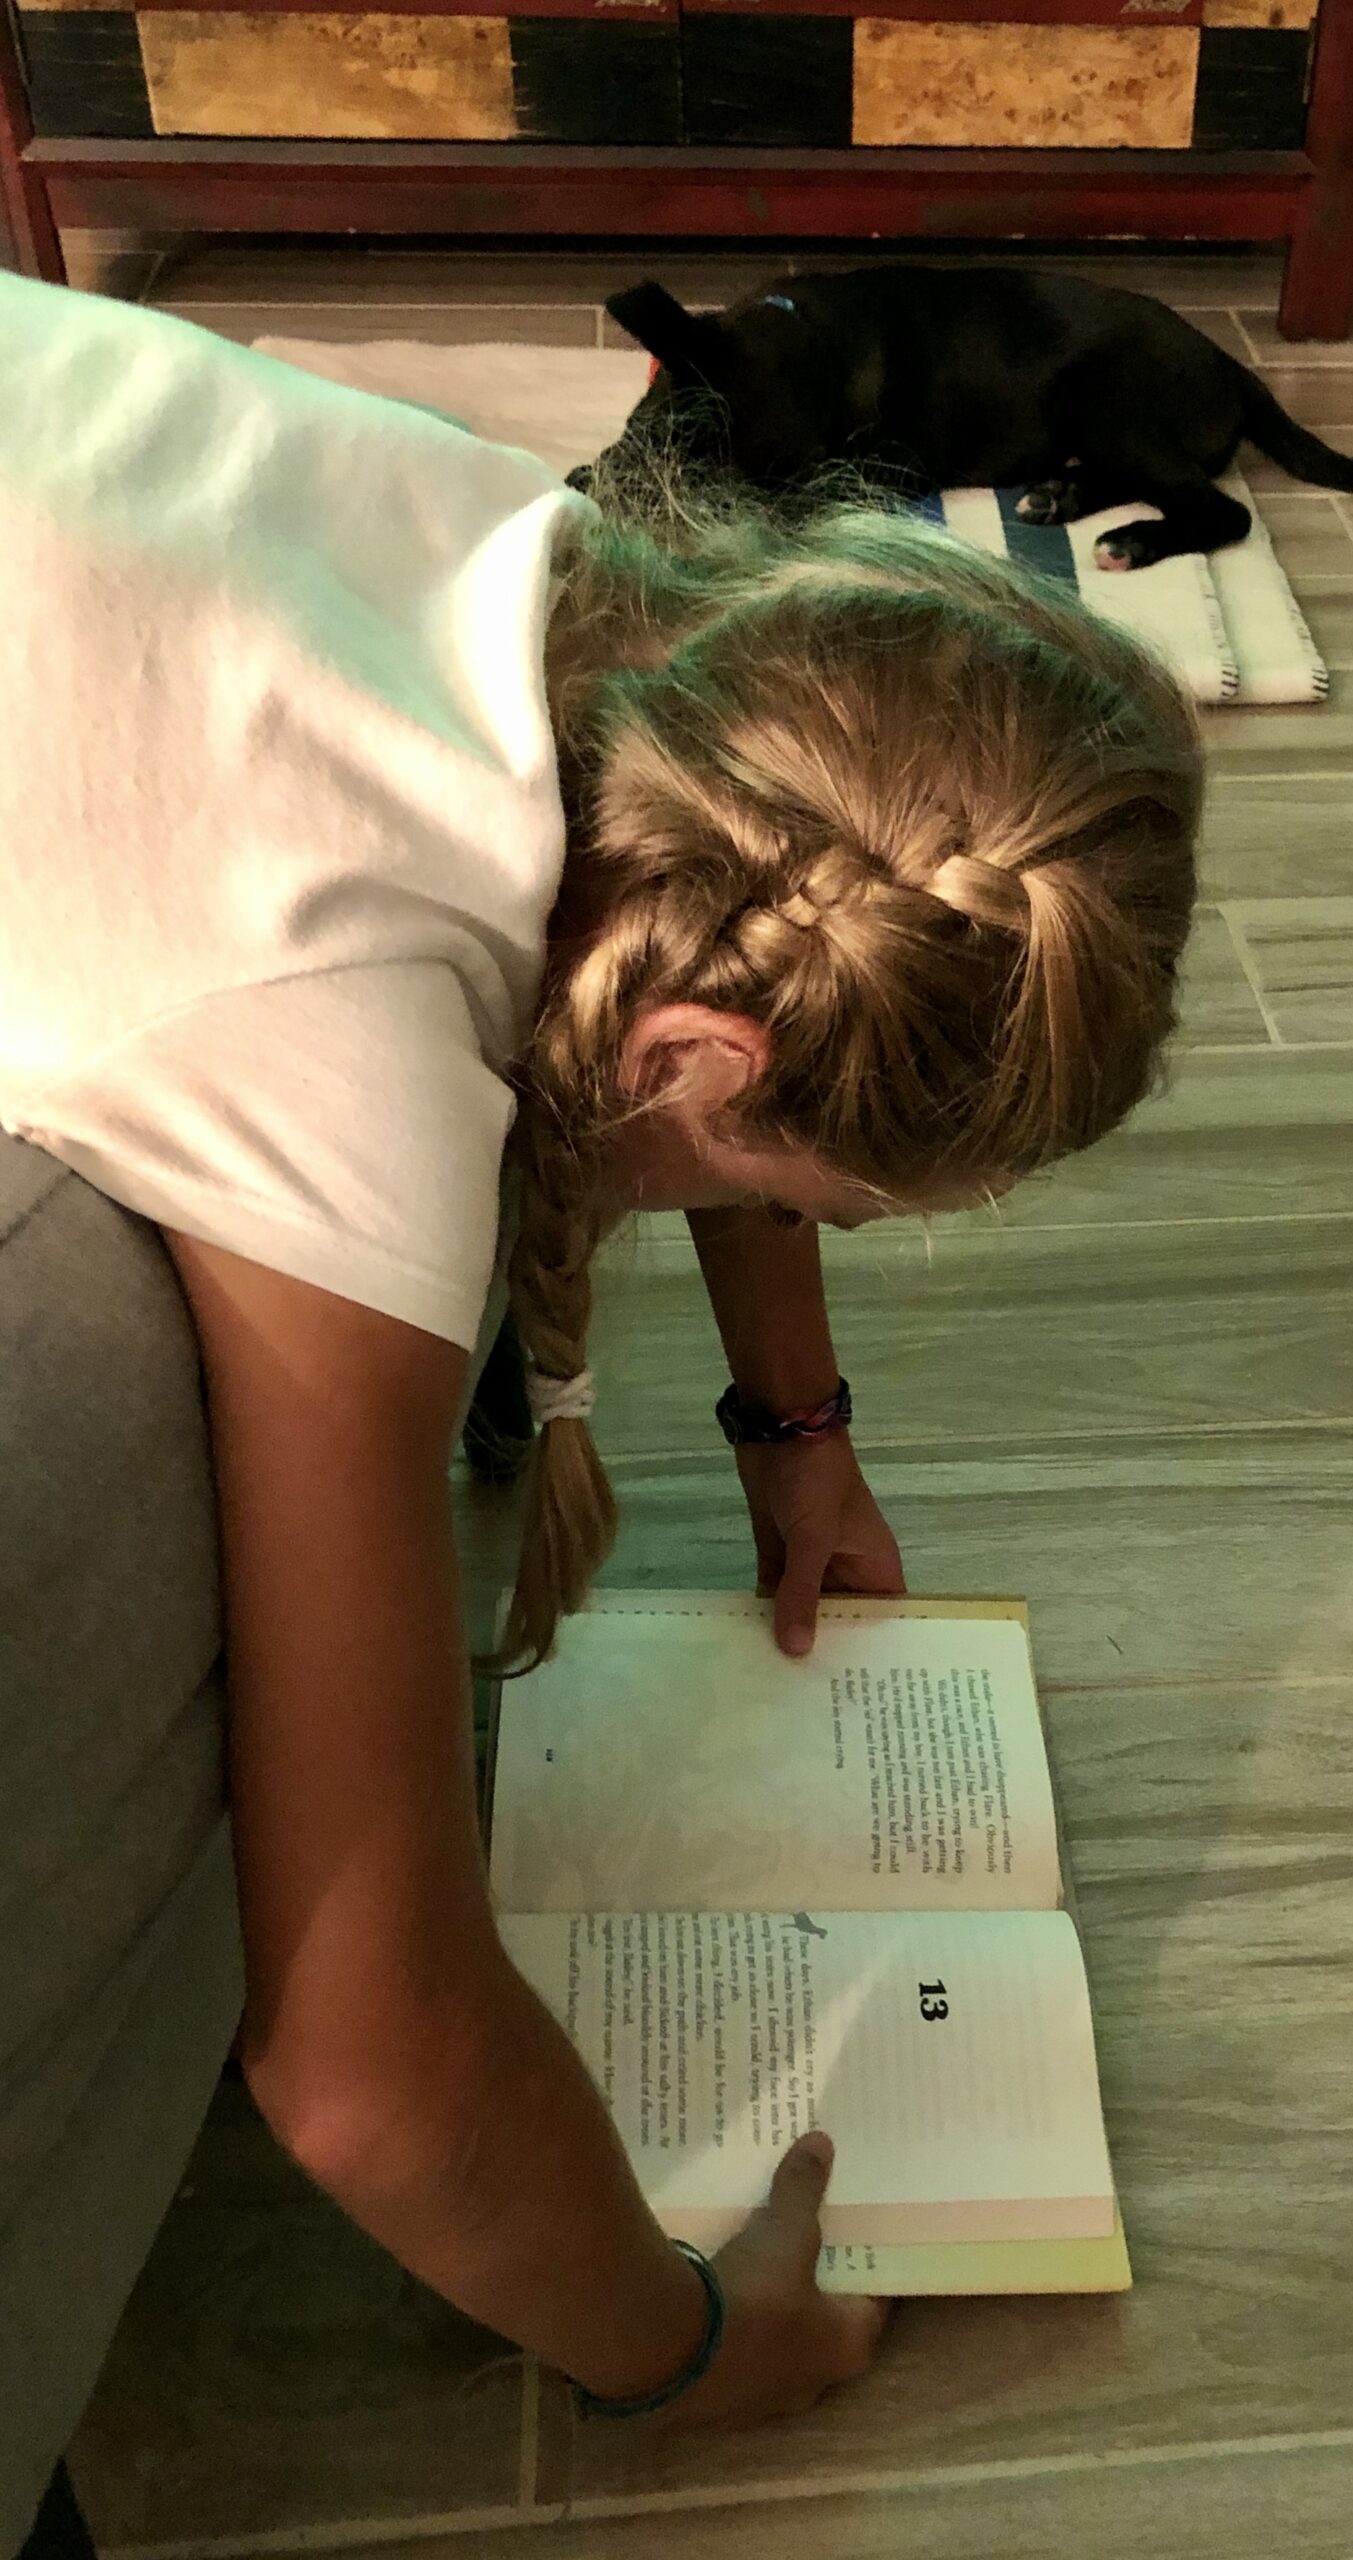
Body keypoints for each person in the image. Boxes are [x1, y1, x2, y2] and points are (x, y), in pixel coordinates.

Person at [0, 271, 1202, 2467]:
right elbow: (363, 2061)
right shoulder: (341, 1047)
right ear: (689, 1060)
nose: (791, 1235)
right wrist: (690, 2347)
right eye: (823, 1202)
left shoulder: (531, 569)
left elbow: (740, 943)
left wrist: (793, 1423)